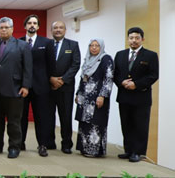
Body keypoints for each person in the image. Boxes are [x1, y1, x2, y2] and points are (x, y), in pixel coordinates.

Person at [0, 17, 32, 159]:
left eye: (6, 27)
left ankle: (14, 147)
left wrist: (26, 86)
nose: (4, 30)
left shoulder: (22, 45)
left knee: (14, 121)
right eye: (1, 27)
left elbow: (28, 68)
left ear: (12, 29)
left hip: (14, 89)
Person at [113, 27, 158, 163]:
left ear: (142, 39)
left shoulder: (150, 55)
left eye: (137, 38)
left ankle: (138, 152)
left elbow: (153, 75)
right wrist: (121, 82)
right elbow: (115, 74)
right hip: (124, 95)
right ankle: (128, 150)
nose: (134, 40)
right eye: (131, 38)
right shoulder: (120, 54)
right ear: (128, 39)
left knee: (140, 126)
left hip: (141, 97)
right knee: (126, 124)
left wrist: (136, 84)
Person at [19, 15, 54, 156]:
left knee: (41, 117)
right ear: (25, 26)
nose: (32, 25)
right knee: (21, 117)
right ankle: (19, 143)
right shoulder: (19, 42)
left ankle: (42, 145)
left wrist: (50, 82)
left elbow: (51, 65)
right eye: (29, 23)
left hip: (41, 87)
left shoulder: (47, 43)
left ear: (38, 26)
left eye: (34, 23)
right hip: (23, 86)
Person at [75, 39, 113, 158]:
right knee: (84, 122)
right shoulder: (88, 59)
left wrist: (102, 95)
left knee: (95, 122)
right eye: (92, 45)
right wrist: (78, 94)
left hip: (97, 97)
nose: (94, 48)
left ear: (101, 47)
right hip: (85, 97)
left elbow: (109, 79)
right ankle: (84, 148)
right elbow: (83, 78)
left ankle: (94, 150)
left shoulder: (106, 59)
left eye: (97, 46)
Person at [48, 20, 80, 154]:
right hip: (48, 86)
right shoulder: (46, 45)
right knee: (48, 116)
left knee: (65, 116)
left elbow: (75, 65)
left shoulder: (72, 45)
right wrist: (50, 79)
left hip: (65, 87)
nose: (58, 30)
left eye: (61, 28)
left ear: (65, 30)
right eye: (55, 28)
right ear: (52, 30)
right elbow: (41, 65)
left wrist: (62, 80)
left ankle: (66, 143)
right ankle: (49, 142)